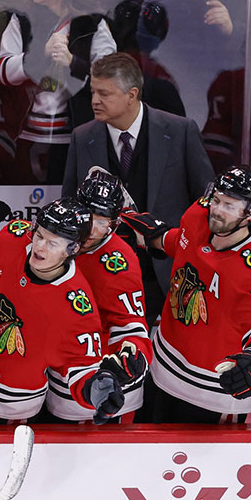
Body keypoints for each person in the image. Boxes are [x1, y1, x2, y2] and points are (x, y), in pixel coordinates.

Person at [62, 52, 214, 327]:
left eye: (104, 94)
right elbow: (69, 209)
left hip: (170, 275)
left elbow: (206, 205)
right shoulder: (82, 137)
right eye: (93, 91)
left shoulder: (180, 131)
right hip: (103, 275)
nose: (95, 100)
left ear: (131, 95)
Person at [0, 197, 124, 424]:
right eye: (39, 235)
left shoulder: (76, 307)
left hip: (8, 408)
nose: (39, 246)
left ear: (73, 248)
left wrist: (96, 387)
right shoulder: (13, 236)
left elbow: (80, 366)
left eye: (52, 243)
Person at [143, 166, 251, 424]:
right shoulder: (200, 214)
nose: (217, 210)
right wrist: (156, 236)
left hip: (211, 392)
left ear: (250, 213)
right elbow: (184, 243)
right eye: (217, 199)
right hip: (161, 369)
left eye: (229, 206)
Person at [46, 169, 151, 422]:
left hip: (100, 385)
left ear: (115, 223)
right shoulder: (58, 237)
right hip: (57, 379)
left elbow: (132, 328)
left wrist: (130, 358)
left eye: (102, 220)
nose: (92, 227)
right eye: (89, 215)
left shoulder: (119, 264)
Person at [0, 0, 116, 184]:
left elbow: (109, 81)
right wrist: (40, 54)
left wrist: (73, 63)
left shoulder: (92, 24)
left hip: (75, 139)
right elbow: (3, 72)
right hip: (25, 137)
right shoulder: (22, 19)